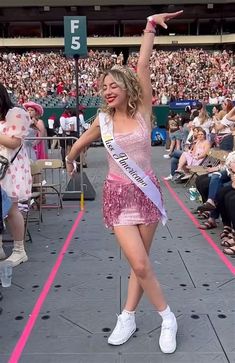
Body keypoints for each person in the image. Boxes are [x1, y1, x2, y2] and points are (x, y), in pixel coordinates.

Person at [66, 11, 183, 354]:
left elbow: (143, 64)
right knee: (141, 263)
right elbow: (79, 143)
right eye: (104, 88)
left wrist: (149, 27)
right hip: (118, 196)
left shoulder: (143, 110)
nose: (108, 91)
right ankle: (167, 317)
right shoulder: (103, 120)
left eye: (113, 85)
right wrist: (71, 159)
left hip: (146, 194)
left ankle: (128, 316)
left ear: (127, 87)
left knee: (139, 263)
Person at [0, 83, 32, 266]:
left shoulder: (16, 113)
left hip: (10, 169)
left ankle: (19, 250)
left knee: (11, 209)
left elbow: (13, 142)